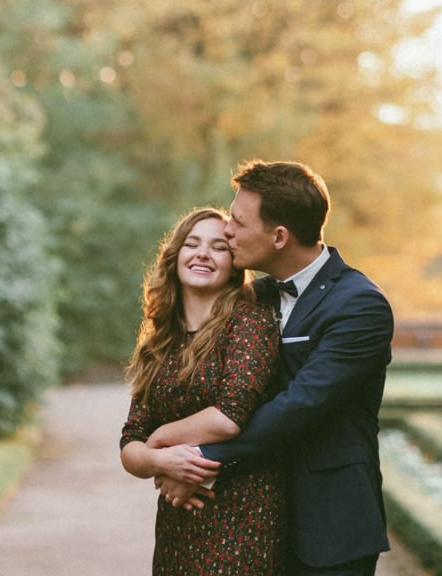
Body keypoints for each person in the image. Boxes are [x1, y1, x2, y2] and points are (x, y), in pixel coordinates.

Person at [154, 161, 394, 576]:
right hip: (253, 517)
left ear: (279, 236)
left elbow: (299, 406)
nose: (228, 231)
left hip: (329, 519)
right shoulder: (253, 297)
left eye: (238, 223)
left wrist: (199, 462)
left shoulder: (359, 306)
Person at [120, 207, 288, 575]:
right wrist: (160, 462)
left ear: (233, 264)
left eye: (218, 247)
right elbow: (130, 441)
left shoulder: (249, 323)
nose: (202, 254)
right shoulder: (160, 341)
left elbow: (230, 416)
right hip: (177, 519)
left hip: (241, 515)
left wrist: (160, 440)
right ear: (175, 254)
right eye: (192, 243)